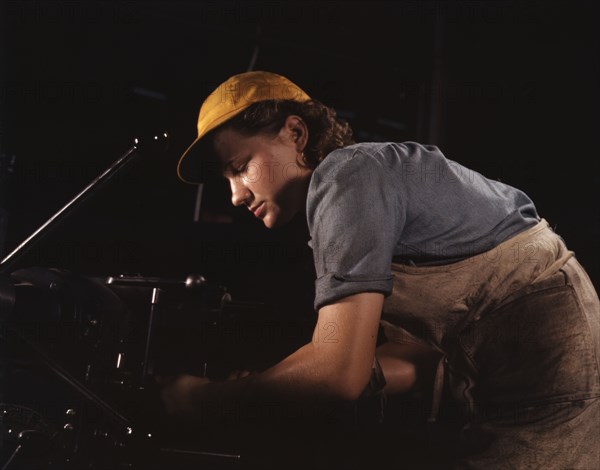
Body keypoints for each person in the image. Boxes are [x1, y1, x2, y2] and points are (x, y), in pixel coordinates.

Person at [160, 71, 600, 469]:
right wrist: (274, 383)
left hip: (544, 373)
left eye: (240, 168)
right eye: (227, 179)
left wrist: (207, 398)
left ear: (295, 132)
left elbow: (338, 374)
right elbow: (413, 359)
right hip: (525, 372)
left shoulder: (345, 176)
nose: (235, 195)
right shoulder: (363, 190)